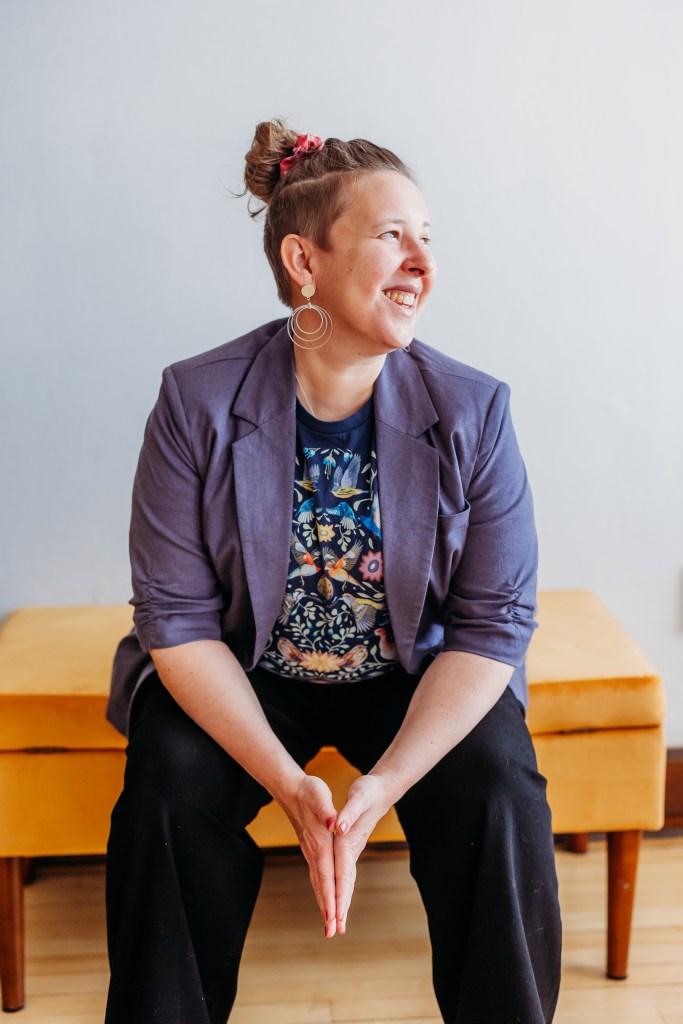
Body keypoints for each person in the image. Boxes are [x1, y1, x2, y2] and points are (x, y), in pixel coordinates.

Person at [105, 119, 562, 1024]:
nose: (421, 262)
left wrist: (379, 790)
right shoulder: (195, 400)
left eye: (428, 237)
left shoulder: (473, 408)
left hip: (408, 675)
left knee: (499, 787)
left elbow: (490, 627)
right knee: (167, 783)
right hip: (247, 674)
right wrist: (288, 782)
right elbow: (177, 619)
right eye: (392, 234)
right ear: (303, 262)